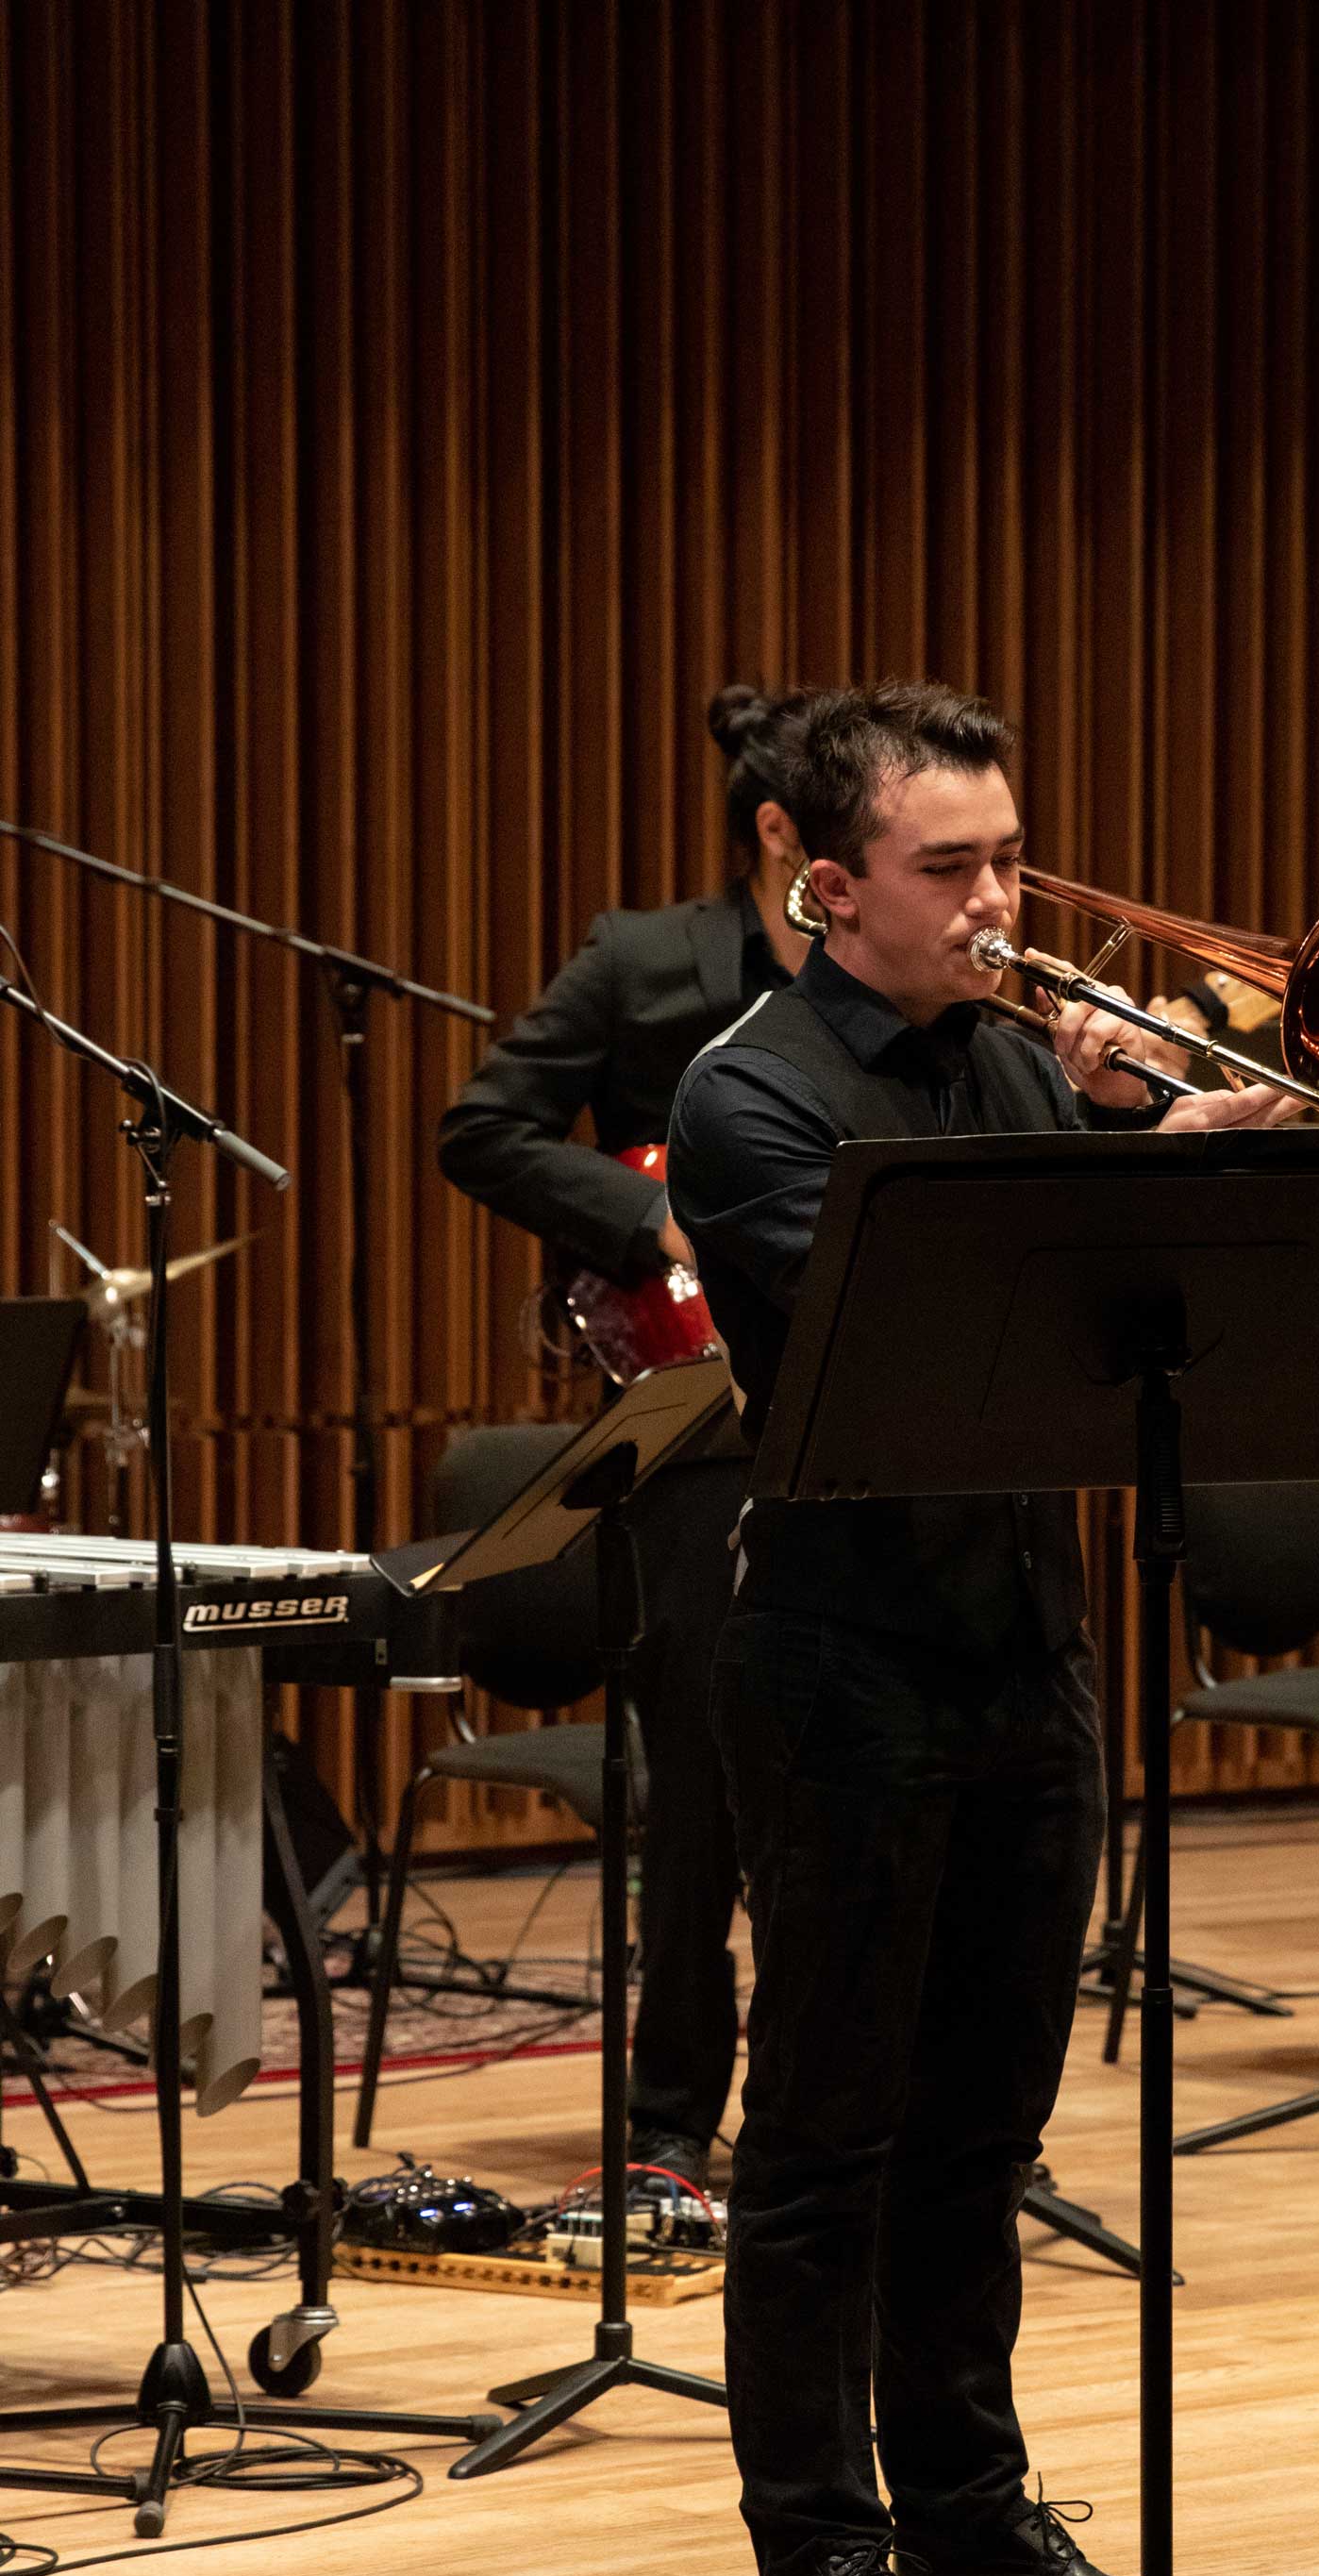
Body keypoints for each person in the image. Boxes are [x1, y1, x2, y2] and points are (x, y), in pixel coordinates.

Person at [667, 680, 1301, 2576]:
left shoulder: (1017, 1065)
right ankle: (819, 2556)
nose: (1000, 903)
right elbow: (933, 1344)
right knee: (825, 2136)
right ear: (827, 887)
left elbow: (1119, 1331)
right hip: (840, 1660)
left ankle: (965, 2510)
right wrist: (1125, 1167)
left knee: (984, 2126)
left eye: (1009, 860)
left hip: (1028, 1647)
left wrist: (1177, 1152)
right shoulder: (750, 1096)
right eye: (952, 869)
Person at [437, 684, 812, 2184]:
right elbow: (483, 1127)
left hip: (854, 1396)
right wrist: (647, 1212)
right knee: (700, 1785)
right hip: (692, 1420)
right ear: (782, 833)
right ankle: (668, 2121)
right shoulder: (643, 958)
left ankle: (854, 2111)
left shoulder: (908, 987)